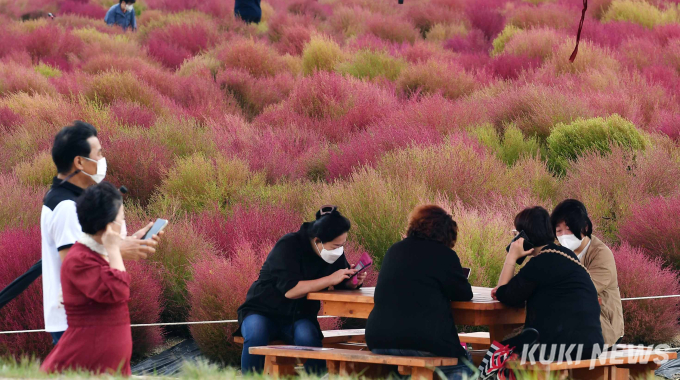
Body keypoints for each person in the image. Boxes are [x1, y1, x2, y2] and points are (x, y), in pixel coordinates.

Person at [41, 121, 162, 346]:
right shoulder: (66, 206)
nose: (102, 160)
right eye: (98, 154)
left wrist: (127, 241)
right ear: (79, 161)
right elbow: (75, 267)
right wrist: (118, 249)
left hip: (84, 318)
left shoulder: (69, 197)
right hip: (76, 322)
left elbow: (88, 248)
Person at [235, 206, 366, 374]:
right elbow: (291, 290)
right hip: (262, 310)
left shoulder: (333, 251)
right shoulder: (288, 245)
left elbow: (339, 281)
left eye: (342, 245)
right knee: (255, 335)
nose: (339, 251)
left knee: (310, 339)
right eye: (335, 246)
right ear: (318, 240)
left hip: (300, 315)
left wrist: (351, 283)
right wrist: (330, 279)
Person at [366, 205, 474, 380]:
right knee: (463, 364)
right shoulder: (444, 255)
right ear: (447, 234)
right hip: (424, 341)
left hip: (378, 338)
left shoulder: (394, 250)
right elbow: (464, 294)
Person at [41, 182, 132, 375]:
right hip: (87, 357)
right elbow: (118, 290)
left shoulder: (95, 252)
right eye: (122, 218)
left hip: (106, 361)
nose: (123, 224)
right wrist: (114, 249)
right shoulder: (79, 259)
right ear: (109, 225)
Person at [492, 206, 604, 361]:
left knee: (497, 353)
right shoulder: (566, 255)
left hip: (560, 347)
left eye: (517, 234)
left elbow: (506, 295)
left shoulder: (540, 262)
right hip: (592, 345)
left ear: (525, 235)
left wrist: (511, 256)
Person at [551, 199, 624, 346]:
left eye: (569, 229)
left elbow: (582, 289)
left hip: (602, 328)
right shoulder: (557, 251)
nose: (564, 235)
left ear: (585, 227)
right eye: (559, 231)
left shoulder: (601, 254)